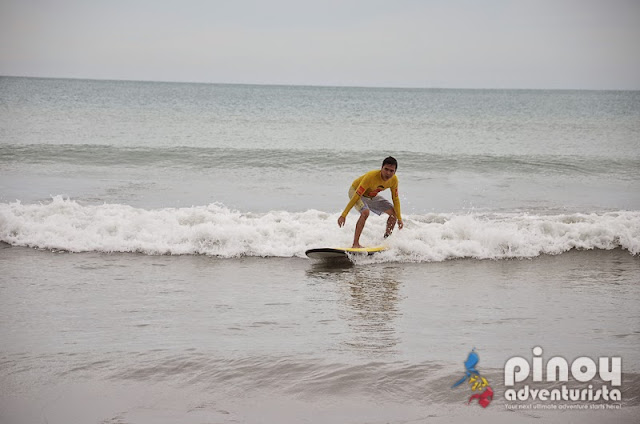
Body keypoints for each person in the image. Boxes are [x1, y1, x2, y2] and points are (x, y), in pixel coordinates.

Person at [337, 156, 403, 248]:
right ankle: (355, 244)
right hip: (356, 191)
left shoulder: (394, 180)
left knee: (394, 214)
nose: (388, 173)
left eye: (391, 171)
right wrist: (343, 215)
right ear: (381, 168)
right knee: (365, 212)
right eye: (386, 169)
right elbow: (357, 196)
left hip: (371, 195)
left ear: (395, 172)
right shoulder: (371, 177)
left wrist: (399, 219)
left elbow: (395, 199)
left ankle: (386, 240)